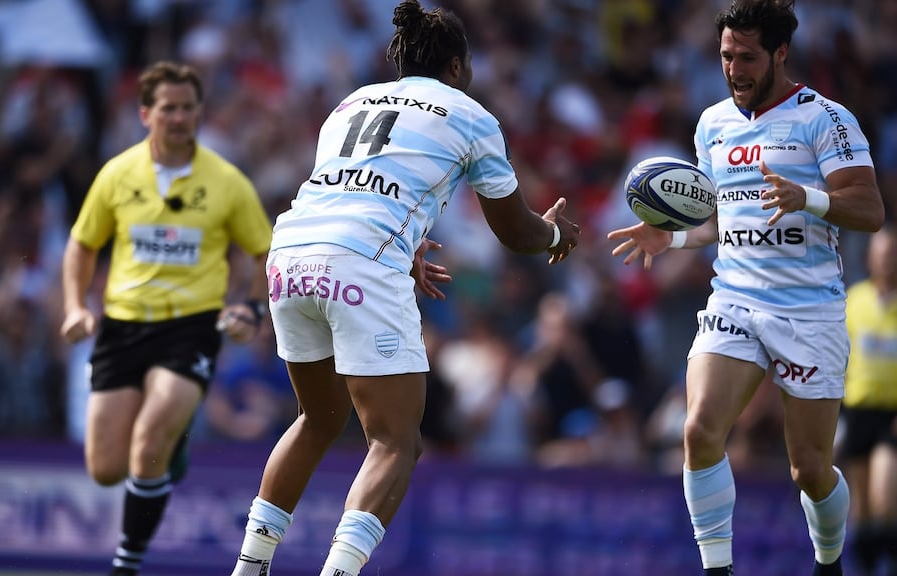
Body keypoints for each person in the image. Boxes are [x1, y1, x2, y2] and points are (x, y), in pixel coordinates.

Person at [228, 2, 581, 575]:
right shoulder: (470, 114)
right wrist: (552, 234)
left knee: (318, 418)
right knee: (394, 442)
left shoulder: (351, 103)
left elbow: (353, 188)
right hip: (362, 265)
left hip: (290, 254)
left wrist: (405, 246)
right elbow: (514, 231)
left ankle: (249, 567)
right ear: (458, 65)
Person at [607, 1, 885, 575]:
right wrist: (673, 240)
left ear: (780, 53)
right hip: (735, 299)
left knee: (809, 469)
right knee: (699, 429)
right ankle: (717, 570)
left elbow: (871, 209)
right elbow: (720, 217)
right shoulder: (713, 123)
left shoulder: (824, 119)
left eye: (748, 57)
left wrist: (806, 198)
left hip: (809, 310)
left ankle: (829, 561)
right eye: (727, 56)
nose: (735, 69)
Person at [59, 60, 273, 576]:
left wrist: (250, 306)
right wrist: (73, 306)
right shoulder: (117, 174)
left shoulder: (226, 181)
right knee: (107, 469)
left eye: (188, 108)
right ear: (145, 114)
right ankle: (173, 446)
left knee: (148, 443)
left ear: (200, 112)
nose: (180, 117)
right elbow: (82, 245)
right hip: (122, 325)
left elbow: (267, 254)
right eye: (169, 108)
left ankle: (126, 564)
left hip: (191, 326)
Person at [839, 225, 897, 575]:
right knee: (860, 508)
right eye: (881, 252)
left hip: (891, 414)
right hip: (857, 410)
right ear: (870, 257)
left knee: (883, 494)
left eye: (892, 253)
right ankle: (866, 566)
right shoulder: (854, 300)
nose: (886, 259)